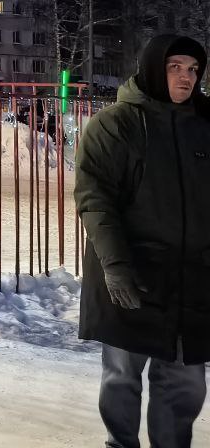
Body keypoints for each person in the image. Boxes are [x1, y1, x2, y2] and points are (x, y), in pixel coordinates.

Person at [76, 33, 210, 448]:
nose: (186, 77)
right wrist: (116, 268)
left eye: (192, 69)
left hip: (191, 280)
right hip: (130, 274)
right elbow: (96, 201)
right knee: (122, 375)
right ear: (154, 68)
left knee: (184, 381)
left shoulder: (206, 125)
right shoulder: (116, 125)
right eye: (175, 68)